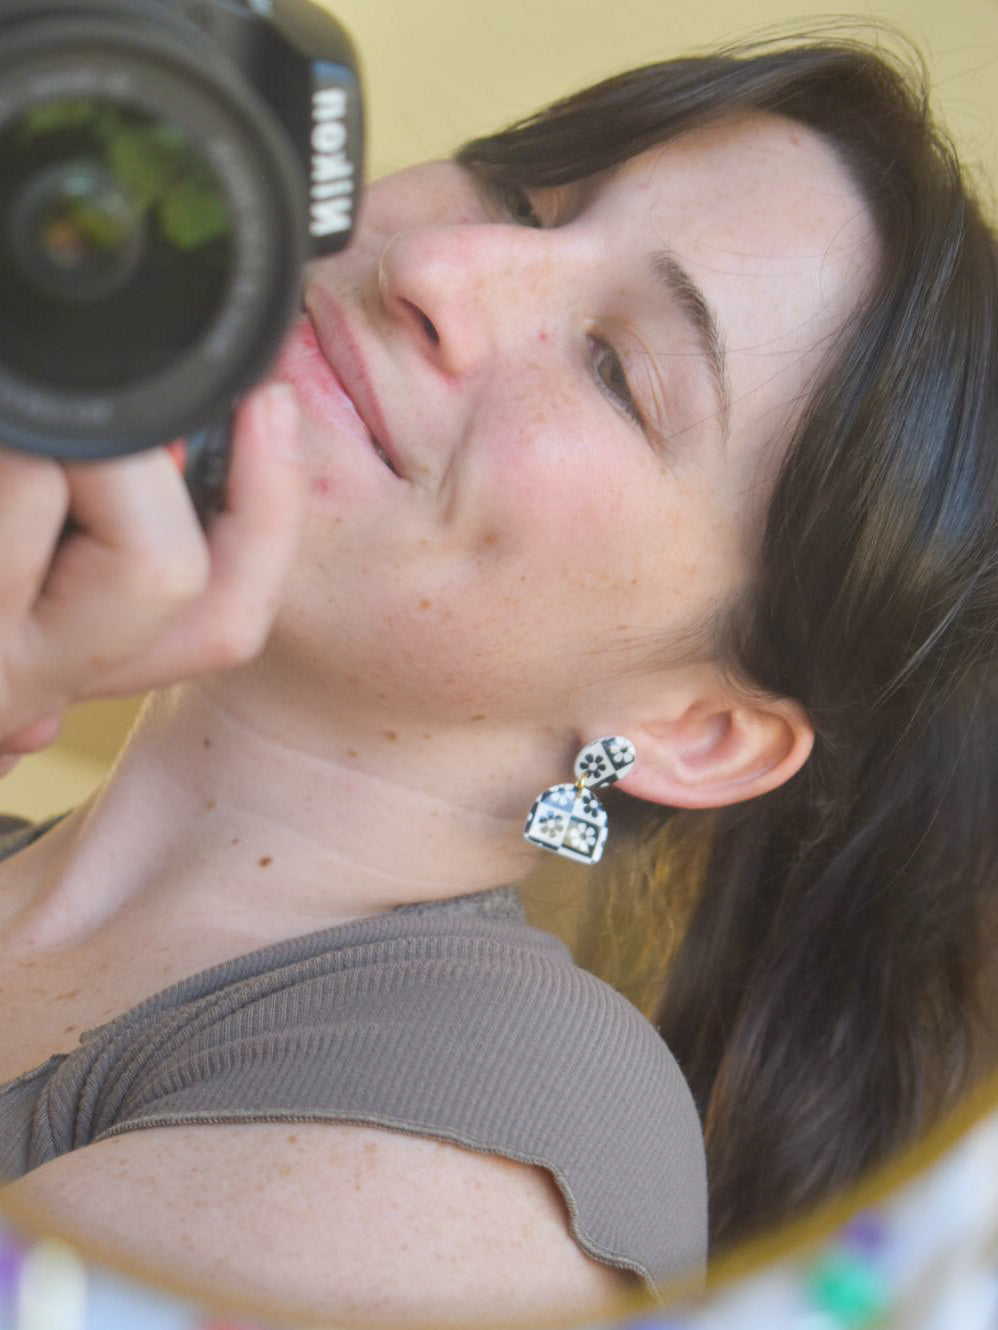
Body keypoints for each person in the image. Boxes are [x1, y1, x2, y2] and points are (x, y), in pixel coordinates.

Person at [0, 28, 996, 1327]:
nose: (438, 263)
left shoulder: (461, 1164)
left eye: (614, 368)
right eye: (519, 192)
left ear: (692, 729)